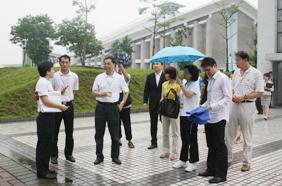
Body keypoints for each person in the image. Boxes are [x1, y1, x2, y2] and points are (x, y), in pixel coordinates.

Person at [226, 51, 264, 172]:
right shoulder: (236, 73)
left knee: (247, 135)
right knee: (229, 134)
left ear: (245, 60)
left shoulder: (256, 73)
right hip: (234, 105)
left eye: (237, 60)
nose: (236, 62)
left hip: (248, 106)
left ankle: (247, 162)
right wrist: (232, 96)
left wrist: (244, 96)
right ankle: (227, 159)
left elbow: (260, 92)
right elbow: (231, 88)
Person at [198, 57, 232, 184]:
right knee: (210, 145)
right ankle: (211, 169)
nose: (207, 72)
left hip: (219, 117)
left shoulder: (223, 79)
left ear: (215, 66)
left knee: (219, 146)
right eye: (205, 71)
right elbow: (210, 99)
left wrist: (213, 106)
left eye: (208, 70)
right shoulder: (210, 80)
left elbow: (228, 98)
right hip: (210, 117)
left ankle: (221, 174)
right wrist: (201, 107)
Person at [92, 56, 129, 165]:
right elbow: (93, 92)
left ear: (114, 65)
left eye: (108, 63)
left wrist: (122, 103)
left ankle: (115, 156)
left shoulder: (119, 78)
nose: (106, 66)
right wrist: (101, 94)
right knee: (99, 133)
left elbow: (126, 92)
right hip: (100, 107)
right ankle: (99, 156)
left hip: (113, 107)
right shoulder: (99, 77)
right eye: (105, 64)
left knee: (115, 133)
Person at [35, 62, 68, 179]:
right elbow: (46, 101)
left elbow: (49, 96)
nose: (54, 71)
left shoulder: (46, 82)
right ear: (47, 71)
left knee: (47, 144)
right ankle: (42, 172)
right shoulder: (43, 82)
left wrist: (60, 93)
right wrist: (60, 107)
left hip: (49, 117)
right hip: (45, 118)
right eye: (52, 69)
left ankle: (45, 169)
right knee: (44, 145)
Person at [51, 55, 79, 164]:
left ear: (70, 63)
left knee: (69, 131)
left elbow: (74, 91)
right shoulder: (54, 76)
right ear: (59, 63)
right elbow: (50, 91)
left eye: (66, 62)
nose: (64, 64)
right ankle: (53, 155)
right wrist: (59, 95)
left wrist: (68, 100)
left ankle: (69, 154)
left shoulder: (74, 76)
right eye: (62, 62)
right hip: (57, 106)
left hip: (68, 106)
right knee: (54, 131)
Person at [173, 65, 200, 172]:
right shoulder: (185, 82)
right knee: (184, 138)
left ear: (192, 74)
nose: (184, 74)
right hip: (183, 114)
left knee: (192, 139)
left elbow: (188, 94)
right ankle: (183, 160)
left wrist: (181, 85)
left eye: (186, 72)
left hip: (192, 115)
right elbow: (182, 95)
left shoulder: (195, 84)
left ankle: (193, 162)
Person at [159, 66, 181, 161]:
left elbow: (180, 98)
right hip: (165, 110)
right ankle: (166, 150)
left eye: (167, 73)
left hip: (174, 110)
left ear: (171, 74)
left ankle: (175, 152)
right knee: (165, 132)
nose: (165, 75)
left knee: (175, 132)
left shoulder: (178, 85)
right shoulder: (164, 84)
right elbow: (162, 96)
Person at [143, 62, 165, 150]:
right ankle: (153, 142)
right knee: (153, 123)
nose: (155, 65)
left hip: (164, 104)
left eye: (157, 64)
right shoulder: (150, 76)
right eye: (154, 64)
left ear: (162, 65)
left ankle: (166, 142)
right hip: (152, 103)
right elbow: (146, 90)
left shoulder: (166, 76)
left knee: (165, 123)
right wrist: (145, 101)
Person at [117, 63, 135, 148]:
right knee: (117, 123)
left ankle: (129, 140)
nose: (120, 69)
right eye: (119, 67)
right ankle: (118, 139)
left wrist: (121, 67)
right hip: (116, 103)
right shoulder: (114, 77)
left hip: (126, 104)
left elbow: (127, 77)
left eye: (122, 67)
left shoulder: (127, 76)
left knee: (127, 123)